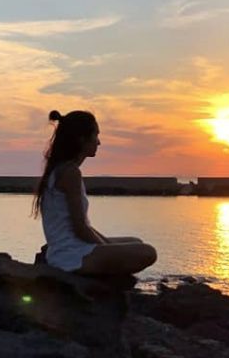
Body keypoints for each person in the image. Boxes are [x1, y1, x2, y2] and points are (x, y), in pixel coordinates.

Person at [33, 109, 157, 275]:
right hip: (71, 257)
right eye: (96, 135)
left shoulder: (62, 170)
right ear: (82, 139)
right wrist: (105, 247)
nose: (99, 142)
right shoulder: (70, 173)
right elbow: (80, 229)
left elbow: (84, 226)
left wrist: (108, 246)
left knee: (135, 241)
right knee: (147, 251)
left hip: (70, 250)